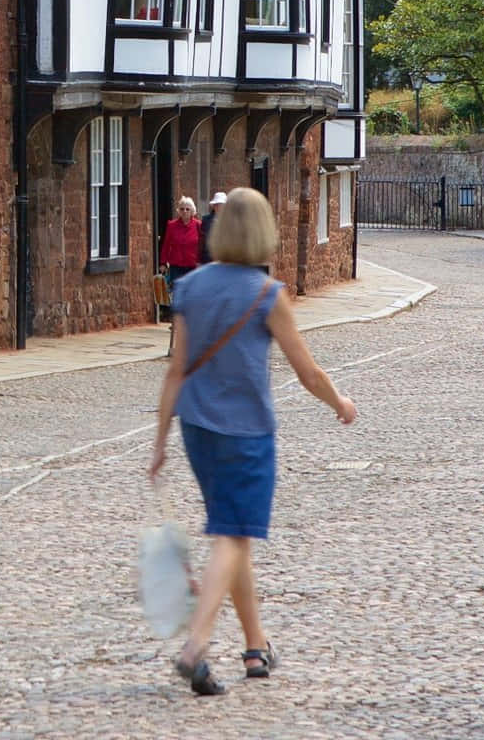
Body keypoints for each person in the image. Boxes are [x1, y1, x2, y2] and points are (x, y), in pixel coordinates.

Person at [148, 187, 356, 696]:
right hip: (247, 434)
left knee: (231, 532)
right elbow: (305, 371)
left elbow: (175, 371)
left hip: (197, 430)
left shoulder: (191, 288)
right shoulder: (268, 295)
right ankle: (195, 647)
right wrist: (340, 403)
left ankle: (255, 647)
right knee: (233, 536)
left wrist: (159, 442)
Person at [160, 196, 203, 294]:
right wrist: (163, 263)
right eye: (182, 209)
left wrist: (201, 261)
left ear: (192, 211)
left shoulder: (198, 225)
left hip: (193, 266)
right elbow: (166, 245)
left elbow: (202, 245)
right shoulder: (171, 225)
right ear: (178, 211)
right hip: (176, 266)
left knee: (192, 293)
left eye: (187, 209)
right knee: (178, 293)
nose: (184, 211)